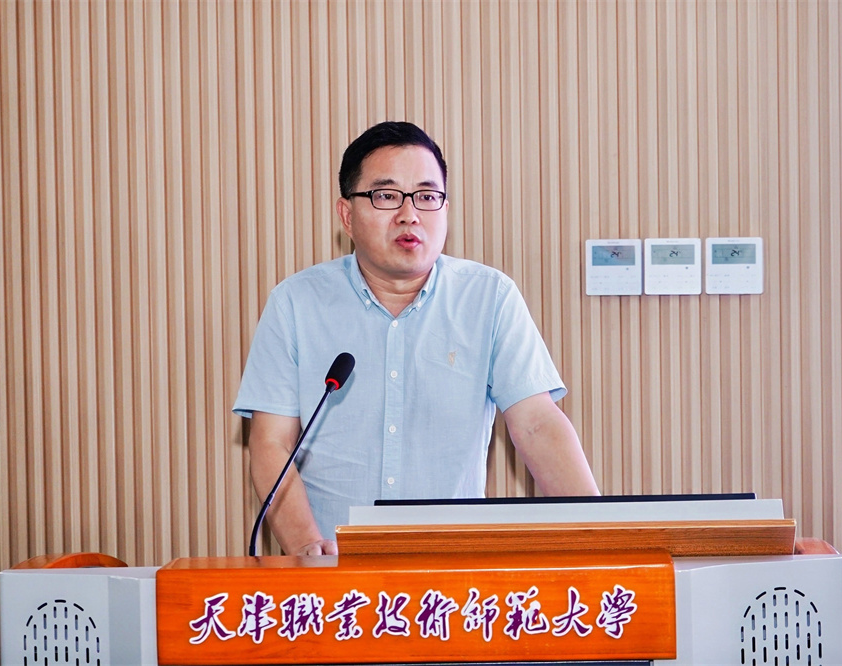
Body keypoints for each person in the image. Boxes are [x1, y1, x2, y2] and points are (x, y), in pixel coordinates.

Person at [233, 121, 599, 556]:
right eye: (387, 196)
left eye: (426, 197)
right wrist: (308, 547)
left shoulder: (489, 297)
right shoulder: (296, 303)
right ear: (347, 215)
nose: (410, 214)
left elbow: (537, 424)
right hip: (333, 570)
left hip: (453, 568)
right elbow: (272, 442)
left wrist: (603, 539)